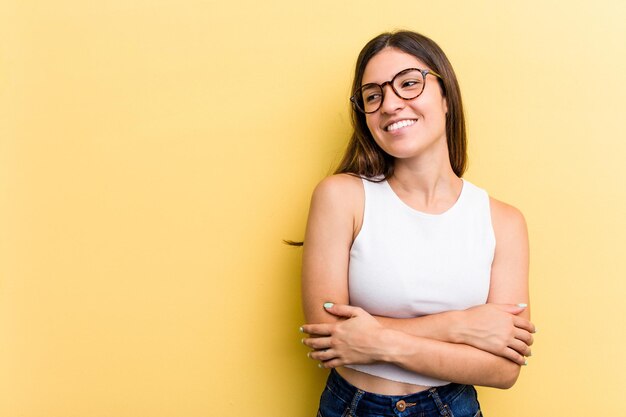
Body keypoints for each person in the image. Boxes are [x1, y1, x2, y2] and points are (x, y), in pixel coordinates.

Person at [298, 31, 536, 417]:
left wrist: (382, 343)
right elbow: (330, 338)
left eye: (409, 83)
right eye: (373, 95)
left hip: (453, 407)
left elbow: (504, 369)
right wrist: (459, 326)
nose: (390, 104)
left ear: (445, 97)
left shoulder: (504, 221)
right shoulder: (341, 197)